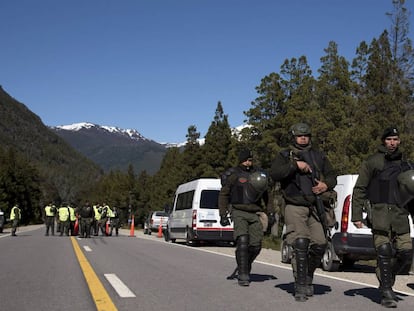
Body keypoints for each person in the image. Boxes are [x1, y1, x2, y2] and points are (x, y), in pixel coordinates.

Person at [270, 123, 337, 302]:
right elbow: (275, 174)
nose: (303, 138)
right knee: (300, 243)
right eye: (300, 136)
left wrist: (326, 184)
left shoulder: (318, 155)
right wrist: (294, 165)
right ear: (294, 137)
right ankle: (300, 285)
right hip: (294, 204)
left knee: (320, 244)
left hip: (316, 205)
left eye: (306, 135)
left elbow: (332, 175)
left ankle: (307, 275)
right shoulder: (285, 155)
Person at [351, 126, 413, 308]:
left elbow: (412, 194)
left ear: (399, 141)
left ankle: (386, 275)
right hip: (380, 215)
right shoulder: (373, 162)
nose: (392, 143)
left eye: (395, 139)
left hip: (400, 215)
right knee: (384, 250)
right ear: (383, 141)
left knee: (406, 253)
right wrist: (356, 215)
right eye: (389, 139)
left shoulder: (407, 165)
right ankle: (386, 291)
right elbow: (360, 189)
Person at [218, 148, 269, 286]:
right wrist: (223, 214)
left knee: (256, 245)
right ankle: (243, 273)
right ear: (241, 160)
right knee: (243, 240)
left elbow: (265, 194)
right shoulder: (234, 175)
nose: (248, 162)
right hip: (239, 210)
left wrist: (269, 212)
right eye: (246, 160)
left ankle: (245, 264)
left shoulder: (258, 174)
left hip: (255, 212)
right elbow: (224, 194)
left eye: (250, 160)